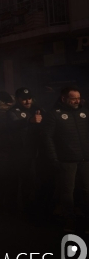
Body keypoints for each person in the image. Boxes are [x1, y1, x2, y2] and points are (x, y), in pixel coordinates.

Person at [43, 86, 89, 232]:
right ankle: (69, 221)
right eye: (73, 98)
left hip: (86, 159)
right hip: (66, 160)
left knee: (87, 190)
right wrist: (54, 158)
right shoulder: (54, 114)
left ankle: (86, 219)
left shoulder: (84, 112)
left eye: (78, 98)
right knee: (67, 191)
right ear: (64, 99)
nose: (77, 101)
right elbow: (47, 138)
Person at [7, 88, 44, 218]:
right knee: (24, 181)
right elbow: (12, 124)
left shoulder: (37, 108)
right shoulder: (12, 111)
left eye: (29, 98)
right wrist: (29, 121)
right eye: (24, 99)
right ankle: (24, 209)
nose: (27, 101)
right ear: (18, 99)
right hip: (20, 152)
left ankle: (34, 207)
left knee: (35, 180)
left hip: (37, 151)